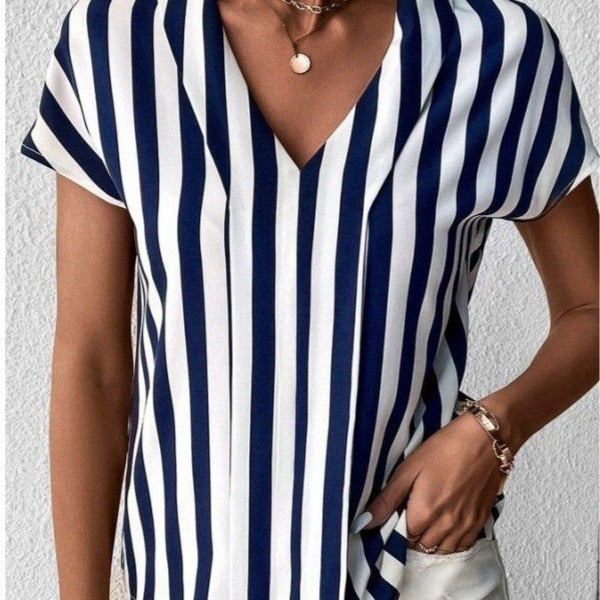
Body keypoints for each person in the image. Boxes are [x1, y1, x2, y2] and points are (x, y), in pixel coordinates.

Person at [18, 0, 599, 597]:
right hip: (190, 573)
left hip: (404, 568)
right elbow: (91, 363)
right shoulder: (120, 43)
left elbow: (590, 309)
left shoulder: (496, 51)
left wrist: (495, 429)